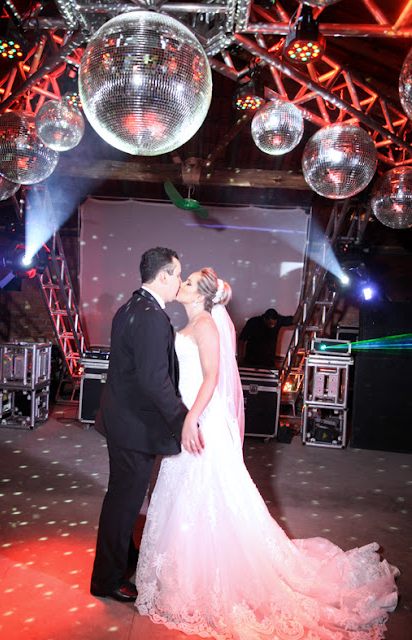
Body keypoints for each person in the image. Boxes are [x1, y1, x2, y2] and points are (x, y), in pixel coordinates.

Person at [135, 268, 399, 639]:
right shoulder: (193, 322)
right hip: (190, 416)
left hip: (202, 420)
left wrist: (191, 418)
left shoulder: (206, 325)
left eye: (189, 282)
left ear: (201, 296)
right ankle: (184, 572)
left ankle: (208, 578)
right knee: (190, 497)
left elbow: (211, 377)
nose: (183, 285)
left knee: (207, 496)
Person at [90, 247, 190, 603]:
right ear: (163, 276)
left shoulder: (130, 307)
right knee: (123, 503)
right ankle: (107, 580)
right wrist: (183, 422)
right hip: (133, 427)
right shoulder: (150, 316)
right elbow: (154, 381)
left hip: (121, 420)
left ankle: (123, 556)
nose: (179, 281)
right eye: (177, 274)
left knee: (122, 498)